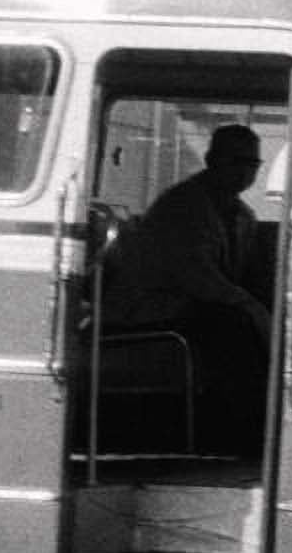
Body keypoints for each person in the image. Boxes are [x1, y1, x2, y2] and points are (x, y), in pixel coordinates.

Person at [102, 123, 273, 449]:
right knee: (232, 325)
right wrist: (250, 307)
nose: (243, 171)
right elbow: (198, 278)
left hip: (189, 304)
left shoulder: (243, 216)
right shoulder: (182, 206)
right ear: (211, 160)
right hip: (149, 307)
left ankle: (250, 425)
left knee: (244, 318)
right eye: (234, 161)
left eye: (251, 164)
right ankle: (235, 434)